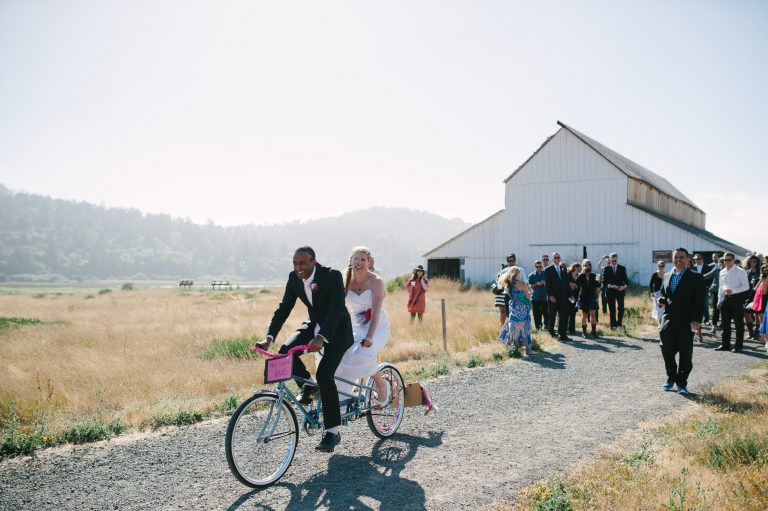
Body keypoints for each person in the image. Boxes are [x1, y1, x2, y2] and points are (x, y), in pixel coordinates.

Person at [258, 246, 354, 452]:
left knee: (325, 374)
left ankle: (332, 432)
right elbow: (284, 308)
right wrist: (269, 337)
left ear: (313, 261)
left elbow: (338, 309)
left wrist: (322, 336)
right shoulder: (294, 278)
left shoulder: (332, 276)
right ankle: (309, 386)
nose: (298, 267)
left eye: (302, 263)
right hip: (314, 325)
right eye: (294, 263)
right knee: (285, 352)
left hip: (337, 331)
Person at [333, 247, 390, 408]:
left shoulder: (376, 281)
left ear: (368, 262)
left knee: (365, 353)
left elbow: (377, 311)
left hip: (377, 327)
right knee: (342, 356)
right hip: (356, 326)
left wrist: (370, 336)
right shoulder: (345, 279)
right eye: (356, 258)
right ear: (350, 260)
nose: (359, 262)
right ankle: (344, 398)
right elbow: (336, 306)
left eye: (363, 259)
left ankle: (381, 385)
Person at [657, 248, 705, 395]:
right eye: (676, 257)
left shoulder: (696, 277)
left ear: (688, 259)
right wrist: (661, 300)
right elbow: (665, 294)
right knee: (666, 348)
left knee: (685, 353)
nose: (679, 259)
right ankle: (671, 377)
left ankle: (682, 382)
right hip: (668, 319)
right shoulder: (666, 275)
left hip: (686, 321)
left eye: (682, 257)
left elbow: (700, 301)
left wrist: (697, 320)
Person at [715, 252, 750, 353]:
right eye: (725, 260)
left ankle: (738, 346)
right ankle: (725, 344)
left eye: (729, 260)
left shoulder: (740, 271)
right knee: (725, 323)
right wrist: (719, 300)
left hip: (737, 299)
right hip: (726, 299)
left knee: (738, 323)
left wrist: (733, 291)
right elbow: (720, 288)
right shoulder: (722, 272)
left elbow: (746, 286)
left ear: (733, 260)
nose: (726, 262)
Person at [498, 266, 534, 353]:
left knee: (514, 327)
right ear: (517, 273)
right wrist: (529, 290)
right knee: (526, 327)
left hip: (513, 308)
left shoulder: (508, 285)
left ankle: (515, 348)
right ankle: (528, 350)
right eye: (519, 272)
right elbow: (528, 296)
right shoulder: (522, 284)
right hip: (523, 308)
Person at [544, 252, 570, 340]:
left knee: (563, 315)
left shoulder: (563, 268)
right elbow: (547, 285)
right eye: (555, 257)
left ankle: (563, 334)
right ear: (552, 259)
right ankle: (551, 333)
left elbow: (566, 283)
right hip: (553, 297)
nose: (557, 259)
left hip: (563, 297)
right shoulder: (548, 269)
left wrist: (569, 295)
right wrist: (550, 295)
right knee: (552, 315)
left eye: (558, 257)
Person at [603, 252, 629, 328]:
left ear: (617, 259)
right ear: (610, 260)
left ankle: (619, 323)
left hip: (620, 291)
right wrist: (611, 286)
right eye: (612, 261)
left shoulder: (622, 268)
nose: (614, 262)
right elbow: (604, 282)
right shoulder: (606, 269)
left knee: (621, 308)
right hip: (610, 292)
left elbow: (626, 281)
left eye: (615, 261)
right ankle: (613, 325)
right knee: (612, 309)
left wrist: (624, 287)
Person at [577, 259, 600, 337]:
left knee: (593, 314)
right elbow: (576, 283)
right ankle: (584, 332)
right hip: (584, 298)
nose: (587, 267)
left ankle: (593, 332)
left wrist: (600, 281)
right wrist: (581, 273)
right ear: (583, 266)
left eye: (589, 265)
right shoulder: (581, 276)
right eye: (585, 265)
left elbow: (598, 285)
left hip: (592, 297)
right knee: (585, 315)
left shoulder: (593, 275)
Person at [704, 257, 724, 333]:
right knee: (715, 309)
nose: (722, 264)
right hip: (716, 291)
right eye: (721, 263)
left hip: (726, 292)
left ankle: (723, 325)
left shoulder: (730, 271)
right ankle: (714, 326)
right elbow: (706, 276)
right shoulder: (716, 270)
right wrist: (696, 276)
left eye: (723, 263)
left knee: (724, 310)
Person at [744, 255, 762, 340]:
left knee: (757, 313)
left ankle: (756, 332)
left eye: (754, 261)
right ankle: (750, 332)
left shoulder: (761, 272)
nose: (752, 263)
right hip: (748, 295)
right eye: (750, 261)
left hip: (759, 295)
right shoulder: (746, 272)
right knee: (746, 312)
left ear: (757, 262)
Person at [528, 260, 548, 330]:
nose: (539, 268)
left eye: (540, 266)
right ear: (535, 267)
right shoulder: (531, 275)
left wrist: (544, 282)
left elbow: (550, 283)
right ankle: (538, 328)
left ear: (542, 266)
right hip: (535, 298)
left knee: (546, 313)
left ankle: (546, 326)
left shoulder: (545, 273)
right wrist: (537, 284)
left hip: (545, 297)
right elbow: (529, 286)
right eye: (537, 266)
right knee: (536, 315)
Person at [649, 260, 666, 328]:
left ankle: (663, 322)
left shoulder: (666, 274)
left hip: (664, 294)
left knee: (663, 309)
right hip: (656, 294)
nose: (660, 267)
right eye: (659, 266)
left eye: (662, 266)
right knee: (658, 308)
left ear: (664, 266)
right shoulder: (655, 274)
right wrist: (652, 292)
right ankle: (659, 323)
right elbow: (651, 284)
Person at [566, 262, 581, 335]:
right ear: (575, 268)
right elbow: (565, 283)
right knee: (566, 312)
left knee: (573, 313)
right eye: (579, 267)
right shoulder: (568, 274)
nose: (580, 269)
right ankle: (565, 328)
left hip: (575, 296)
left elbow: (579, 286)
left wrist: (576, 286)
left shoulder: (579, 276)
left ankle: (572, 329)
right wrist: (570, 284)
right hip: (568, 295)